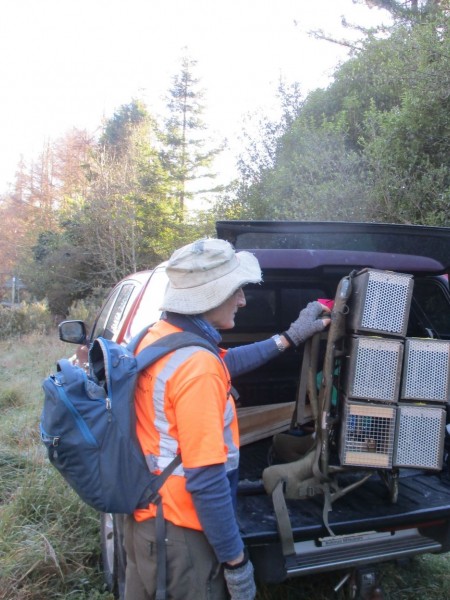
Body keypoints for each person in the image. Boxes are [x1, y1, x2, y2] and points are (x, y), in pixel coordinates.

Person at [124, 238, 331, 600]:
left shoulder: (160, 337)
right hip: (182, 532)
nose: (243, 300)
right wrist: (235, 561)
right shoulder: (196, 367)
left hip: (149, 516)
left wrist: (289, 338)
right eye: (236, 290)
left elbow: (225, 363)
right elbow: (206, 480)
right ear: (210, 296)